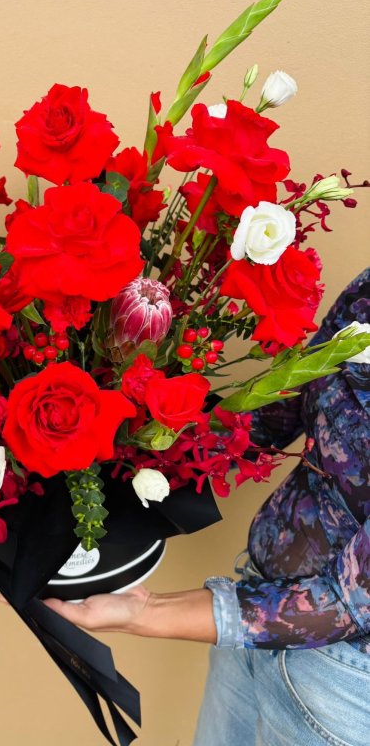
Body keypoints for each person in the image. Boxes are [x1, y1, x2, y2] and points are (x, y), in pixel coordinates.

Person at [41, 268, 370, 746]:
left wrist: (146, 612)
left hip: (340, 688)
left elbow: (350, 603)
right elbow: (287, 404)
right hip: (248, 612)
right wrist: (112, 445)